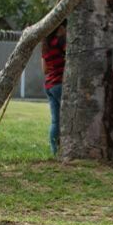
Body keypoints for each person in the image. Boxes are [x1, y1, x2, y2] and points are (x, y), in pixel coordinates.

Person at [41, 22, 67, 156]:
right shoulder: (61, 42)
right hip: (60, 83)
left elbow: (44, 69)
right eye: (65, 28)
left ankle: (54, 151)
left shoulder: (45, 44)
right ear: (60, 28)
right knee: (67, 118)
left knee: (55, 120)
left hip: (49, 85)